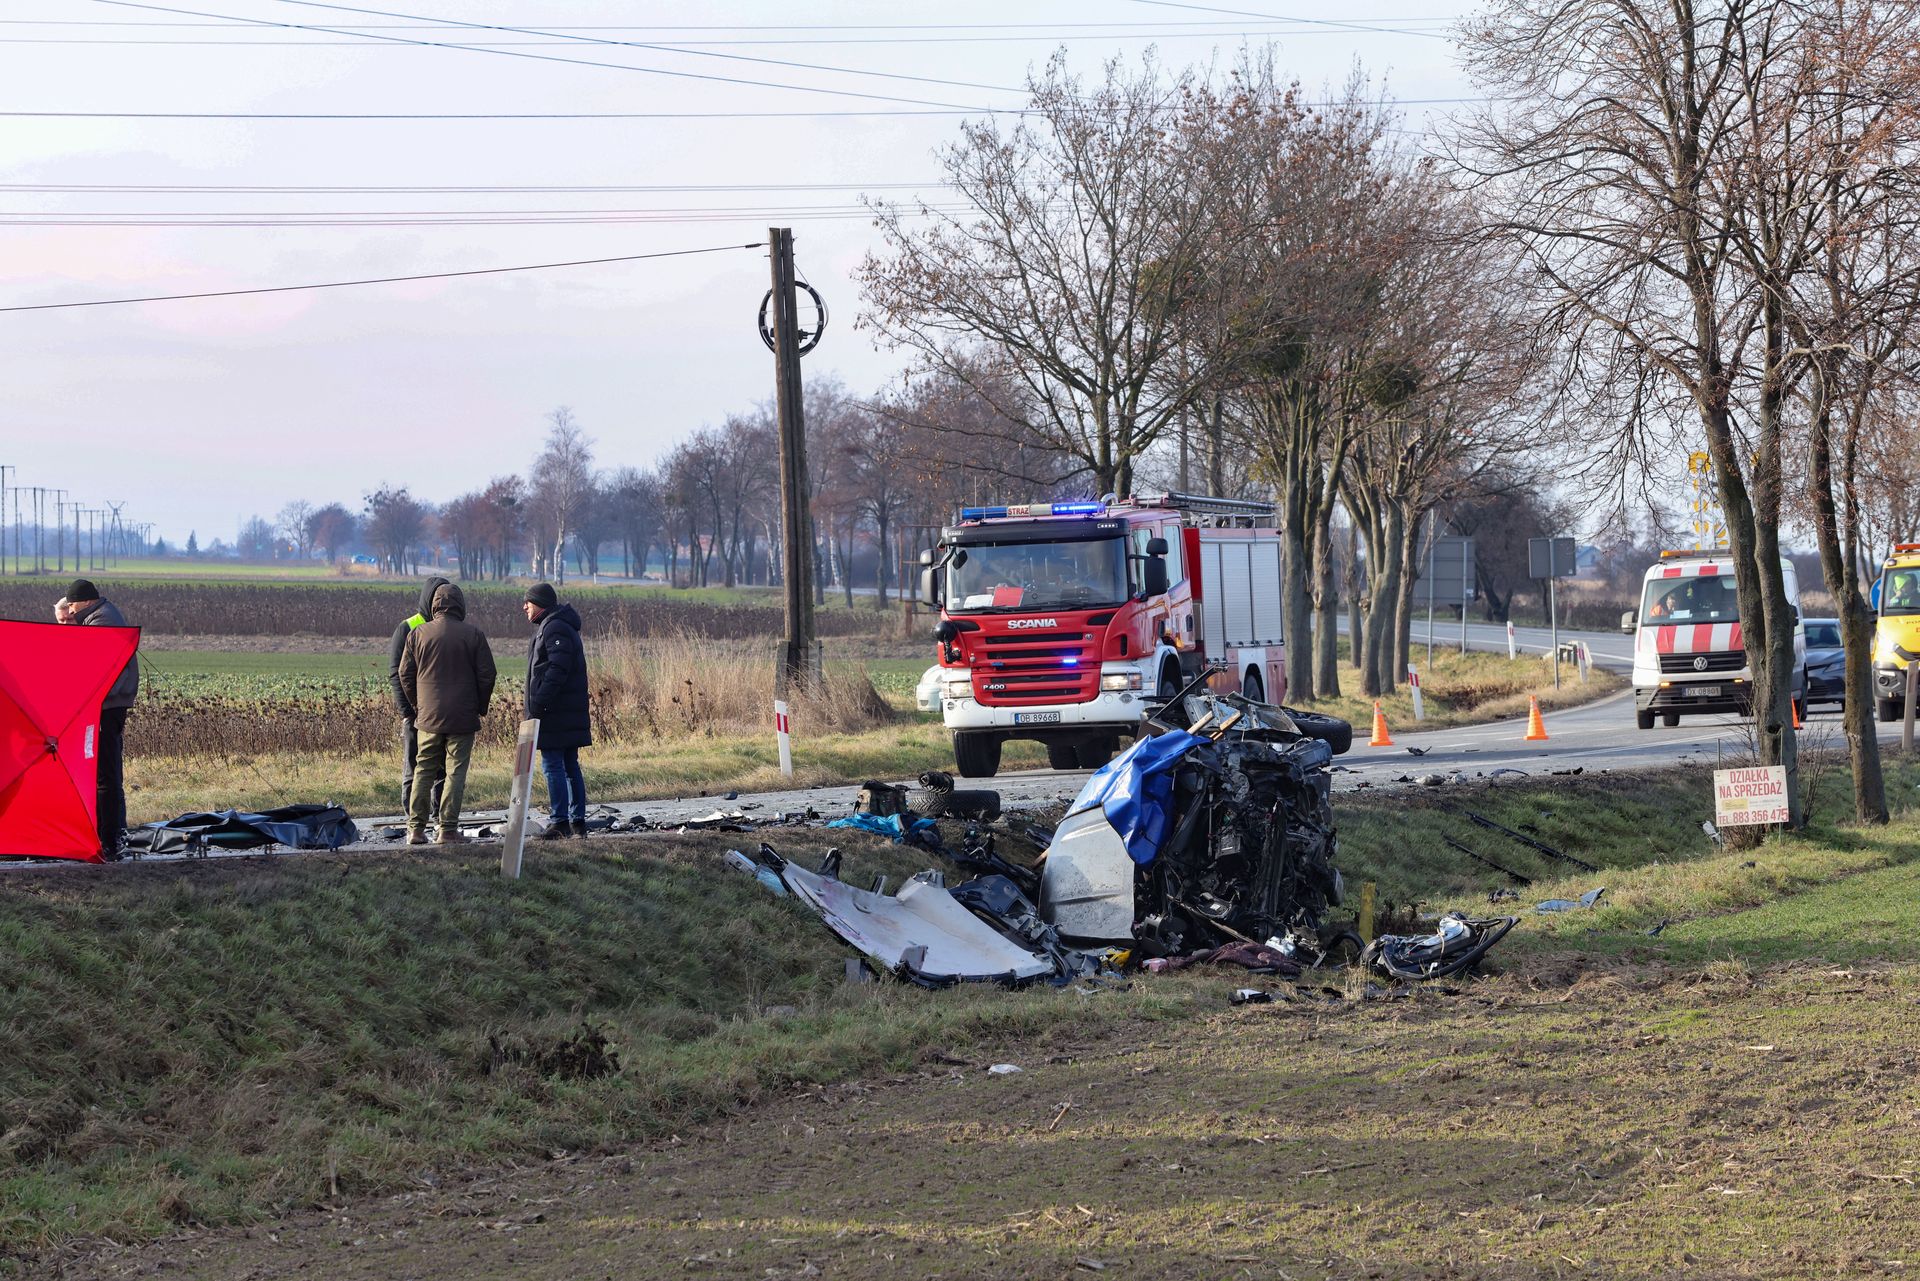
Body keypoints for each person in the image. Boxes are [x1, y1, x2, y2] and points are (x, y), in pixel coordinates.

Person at [397, 582, 496, 846]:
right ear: (460, 605)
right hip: (463, 717)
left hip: (428, 717)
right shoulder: (474, 635)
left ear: (435, 605)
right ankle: (447, 830)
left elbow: (404, 673)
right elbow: (488, 674)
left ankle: (415, 830)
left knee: (423, 769)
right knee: (455, 772)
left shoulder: (417, 634)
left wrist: (418, 705)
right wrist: (480, 706)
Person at [64, 579, 139, 859]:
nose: (71, 612)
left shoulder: (101, 623)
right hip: (110, 706)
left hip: (107, 707)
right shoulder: (101, 617)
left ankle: (109, 839)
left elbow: (89, 668)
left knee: (105, 775)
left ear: (84, 601)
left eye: (72, 605)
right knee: (107, 773)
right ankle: (113, 833)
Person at [521, 582, 592, 839]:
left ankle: (560, 821)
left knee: (553, 765)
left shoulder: (554, 628)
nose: (524, 607)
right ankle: (577, 822)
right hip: (565, 712)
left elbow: (556, 670)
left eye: (528, 602)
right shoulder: (556, 625)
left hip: (555, 713)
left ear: (539, 602)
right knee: (570, 765)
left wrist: (539, 703)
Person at [387, 576, 450, 818]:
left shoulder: (449, 627)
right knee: (414, 764)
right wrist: (407, 712)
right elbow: (396, 672)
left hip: (442, 712)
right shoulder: (407, 627)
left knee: (442, 765)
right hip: (415, 712)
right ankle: (413, 815)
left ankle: (439, 813)